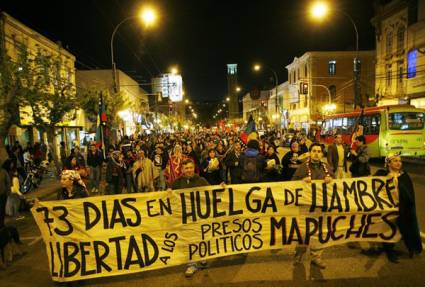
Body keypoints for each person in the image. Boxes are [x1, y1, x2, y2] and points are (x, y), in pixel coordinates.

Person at [292, 143, 334, 269]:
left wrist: (330, 179)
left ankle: (316, 257)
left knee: (319, 232)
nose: (316, 153)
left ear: (322, 154)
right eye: (314, 151)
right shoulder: (303, 167)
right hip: (306, 205)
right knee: (303, 231)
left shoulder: (326, 167)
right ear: (310, 153)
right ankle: (299, 253)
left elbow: (336, 183)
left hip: (322, 206)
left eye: (319, 151)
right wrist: (301, 181)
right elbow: (292, 182)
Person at [374, 153, 422, 263]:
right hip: (387, 209)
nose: (398, 163)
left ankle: (411, 247)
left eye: (400, 161)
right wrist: (388, 179)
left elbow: (409, 194)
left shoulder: (404, 176)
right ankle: (389, 251)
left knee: (406, 228)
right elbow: (373, 187)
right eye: (395, 160)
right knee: (389, 229)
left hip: (402, 208)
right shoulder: (381, 174)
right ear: (388, 163)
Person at [171, 159, 209, 277]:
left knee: (200, 237)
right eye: (186, 168)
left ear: (194, 168)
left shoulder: (201, 181)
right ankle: (191, 264)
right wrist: (168, 193)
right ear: (182, 170)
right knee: (188, 240)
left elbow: (212, 193)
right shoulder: (177, 183)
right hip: (185, 217)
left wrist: (222, 187)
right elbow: (172, 199)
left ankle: (202, 257)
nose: (189, 170)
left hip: (199, 216)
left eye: (190, 167)